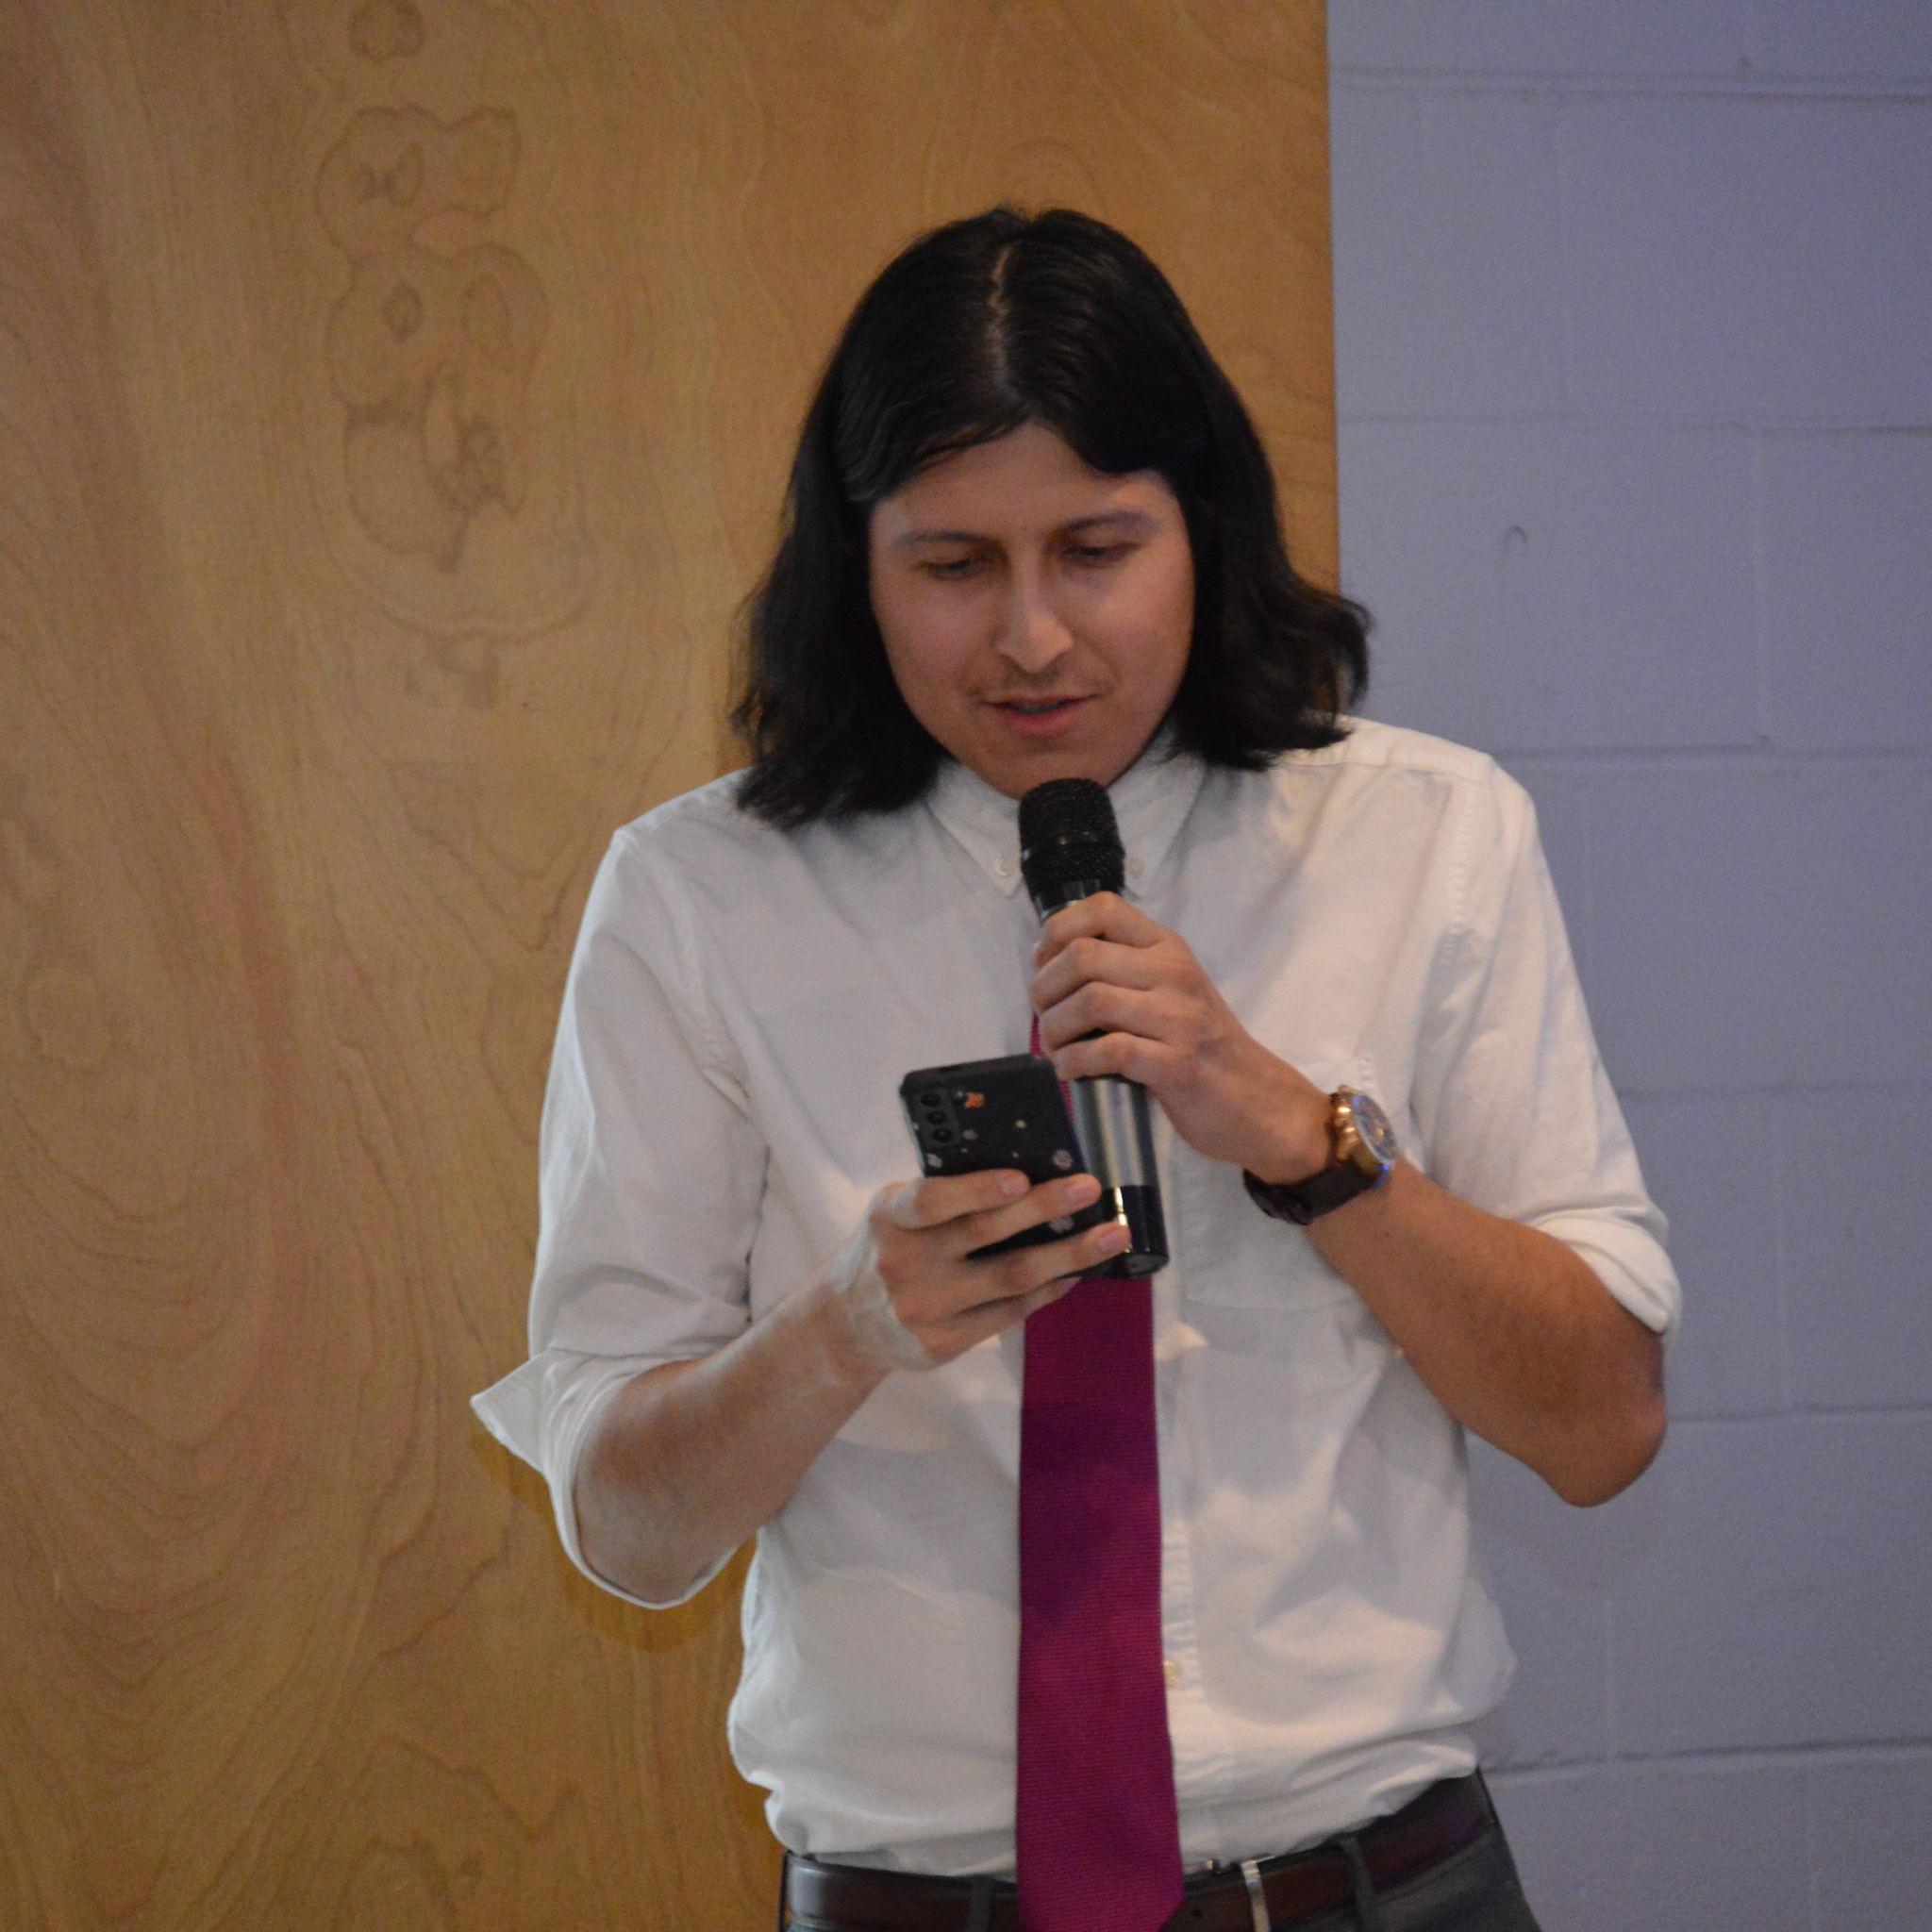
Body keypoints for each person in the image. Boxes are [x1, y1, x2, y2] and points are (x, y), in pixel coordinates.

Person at [472, 206, 1678, 1932]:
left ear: (1204, 529)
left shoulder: (1427, 836)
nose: (1033, 637)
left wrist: (1309, 1144)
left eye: (1098, 549)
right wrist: (846, 1327)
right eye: (954, 566)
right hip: (918, 1897)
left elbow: (1605, 1428)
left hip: (1379, 1886)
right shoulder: (697, 897)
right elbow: (627, 1531)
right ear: (854, 566)